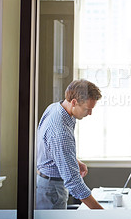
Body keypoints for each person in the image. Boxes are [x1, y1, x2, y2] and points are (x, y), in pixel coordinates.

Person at [36, 79, 103, 209]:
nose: (90, 113)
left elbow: (53, 148)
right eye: (87, 109)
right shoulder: (61, 131)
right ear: (74, 102)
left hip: (49, 183)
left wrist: (74, 161)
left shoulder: (56, 107)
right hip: (51, 190)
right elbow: (74, 183)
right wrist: (102, 213)